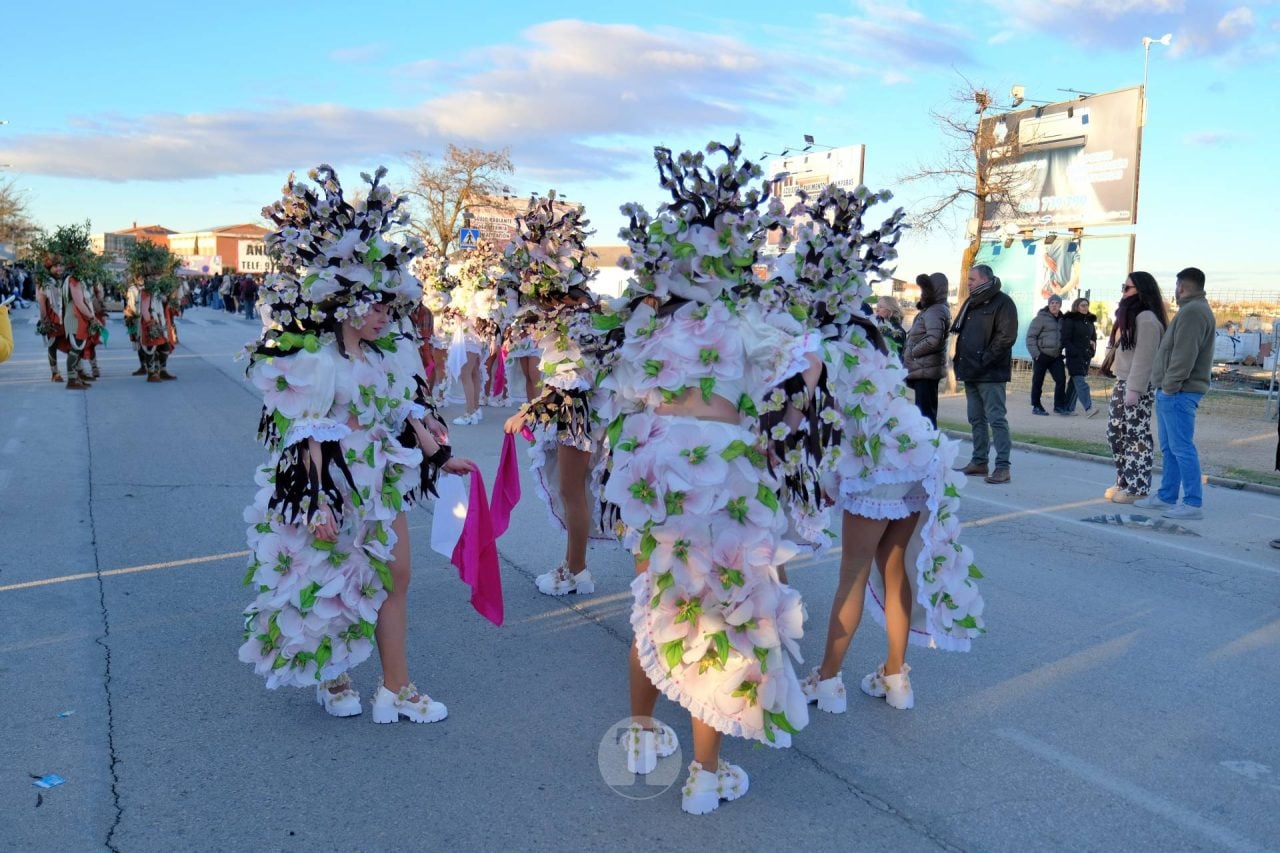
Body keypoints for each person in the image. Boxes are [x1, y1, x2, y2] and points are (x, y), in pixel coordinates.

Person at [600, 141, 814, 814]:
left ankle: (639, 735)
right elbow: (802, 375)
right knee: (722, 612)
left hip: (660, 469)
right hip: (726, 478)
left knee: (659, 604)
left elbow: (621, 398)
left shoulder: (646, 323)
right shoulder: (748, 316)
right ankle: (703, 769)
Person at [240, 164, 477, 722]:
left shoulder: (387, 356)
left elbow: (403, 413)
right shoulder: (316, 362)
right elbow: (306, 437)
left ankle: (396, 687)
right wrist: (317, 500)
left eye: (387, 306)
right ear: (345, 302)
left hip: (381, 483)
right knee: (333, 580)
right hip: (336, 486)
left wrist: (440, 456)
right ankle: (334, 673)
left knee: (396, 577)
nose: (383, 315)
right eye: (374, 305)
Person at [501, 192, 610, 597]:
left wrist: (526, 414)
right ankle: (572, 564)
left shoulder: (572, 321)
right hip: (575, 412)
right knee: (571, 491)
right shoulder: (574, 315)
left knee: (572, 491)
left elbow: (570, 382)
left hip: (577, 415)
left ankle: (577, 571)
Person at [1136, 267, 1216, 520]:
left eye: (1176, 286)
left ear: (1181, 287)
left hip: (1179, 392)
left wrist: (1169, 387)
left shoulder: (1193, 312)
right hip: (1174, 391)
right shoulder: (1191, 310)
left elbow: (1184, 355)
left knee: (1181, 448)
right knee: (1170, 448)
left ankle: (1192, 503)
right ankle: (1167, 495)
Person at [951, 264, 1018, 484]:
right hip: (970, 370)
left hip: (990, 373)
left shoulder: (1003, 302)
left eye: (972, 280)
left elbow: (1006, 337)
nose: (968, 283)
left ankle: (1002, 467)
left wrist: (984, 360)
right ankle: (979, 462)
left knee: (996, 419)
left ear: (984, 279)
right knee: (976, 419)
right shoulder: (971, 303)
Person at [1105, 273, 1167, 503]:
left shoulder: (1147, 319)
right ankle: (1123, 480)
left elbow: (1145, 357)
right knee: (1116, 434)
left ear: (1141, 290)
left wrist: (1135, 388)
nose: (1123, 292)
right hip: (1123, 380)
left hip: (1137, 384)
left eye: (1127, 287)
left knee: (1136, 435)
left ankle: (1138, 486)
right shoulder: (1130, 316)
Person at [902, 272, 950, 427]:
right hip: (923, 369)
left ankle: (929, 448)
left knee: (925, 417)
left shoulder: (936, 310)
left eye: (924, 289)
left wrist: (913, 352)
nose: (921, 293)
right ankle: (927, 447)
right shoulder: (931, 309)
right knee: (923, 415)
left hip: (926, 370)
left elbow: (934, 339)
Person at [1026, 294, 1068, 415]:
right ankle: (1036, 406)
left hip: (1056, 356)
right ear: (1048, 305)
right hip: (1042, 354)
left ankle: (1059, 406)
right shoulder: (1040, 318)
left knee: (1061, 380)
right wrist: (1036, 354)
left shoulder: (1062, 320)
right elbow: (1030, 337)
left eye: (1057, 303)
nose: (1054, 306)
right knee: (1038, 381)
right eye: (1052, 303)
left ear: (1060, 305)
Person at [1060, 297, 1099, 417]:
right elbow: (1065, 340)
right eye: (1082, 305)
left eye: (1087, 305)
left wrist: (1092, 351)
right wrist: (1075, 352)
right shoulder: (1070, 320)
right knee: (1081, 383)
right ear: (1076, 306)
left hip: (1086, 357)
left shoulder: (1089, 322)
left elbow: (1093, 338)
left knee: (1074, 383)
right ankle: (1089, 408)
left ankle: (1067, 408)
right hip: (1074, 357)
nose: (1085, 307)